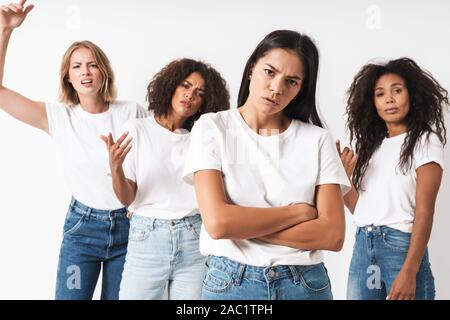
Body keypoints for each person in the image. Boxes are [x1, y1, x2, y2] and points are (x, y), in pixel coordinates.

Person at [183, 30, 350, 300]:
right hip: (231, 284)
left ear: (300, 89)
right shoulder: (212, 128)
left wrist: (244, 227)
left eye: (292, 81)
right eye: (269, 72)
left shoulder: (317, 139)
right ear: (252, 69)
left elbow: (332, 235)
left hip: (305, 285)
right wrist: (297, 213)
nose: (277, 88)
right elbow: (218, 223)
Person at [0, 1, 147, 299]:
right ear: (68, 76)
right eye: (77, 66)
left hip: (130, 231)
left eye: (93, 64)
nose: (86, 72)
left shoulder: (133, 112)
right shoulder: (58, 117)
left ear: (104, 71)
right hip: (82, 232)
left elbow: (153, 168)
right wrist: (5, 31)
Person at [101, 58, 230, 300]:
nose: (190, 95)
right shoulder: (137, 128)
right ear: (170, 86)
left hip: (194, 237)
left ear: (205, 103)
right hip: (147, 237)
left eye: (199, 93)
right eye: (185, 85)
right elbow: (127, 197)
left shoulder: (202, 138)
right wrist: (116, 168)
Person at [341, 57, 448, 300]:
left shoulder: (424, 141)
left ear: (412, 95)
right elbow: (362, 209)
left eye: (397, 90)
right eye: (380, 94)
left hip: (399, 247)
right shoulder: (372, 148)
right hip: (363, 247)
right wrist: (344, 180)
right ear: (372, 103)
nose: (389, 99)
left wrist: (409, 271)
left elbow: (424, 212)